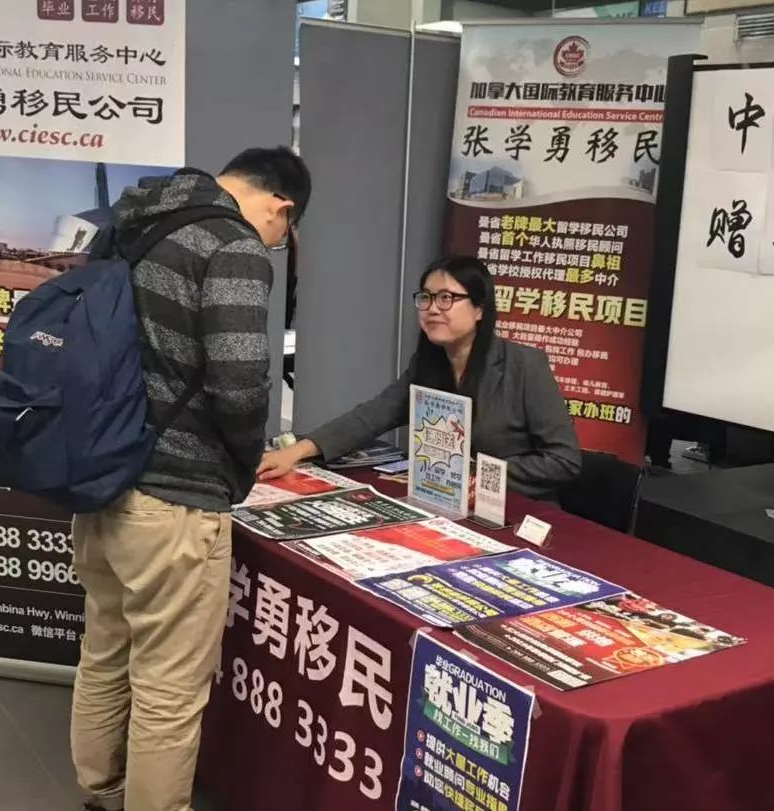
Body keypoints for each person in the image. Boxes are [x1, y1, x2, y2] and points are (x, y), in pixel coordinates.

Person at [70, 147, 311, 811]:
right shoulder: (232, 243)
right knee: (169, 689)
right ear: (281, 206)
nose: (275, 242)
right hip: (175, 500)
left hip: (101, 479)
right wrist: (241, 464)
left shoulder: (131, 224)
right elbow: (241, 382)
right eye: (283, 233)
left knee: (105, 647)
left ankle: (102, 790)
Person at [258, 255, 581, 500]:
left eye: (447, 298)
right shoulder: (429, 363)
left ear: (480, 309)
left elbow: (563, 460)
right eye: (426, 297)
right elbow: (372, 415)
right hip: (444, 503)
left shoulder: (524, 366)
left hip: (515, 508)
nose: (432, 308)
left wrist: (475, 476)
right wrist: (296, 452)